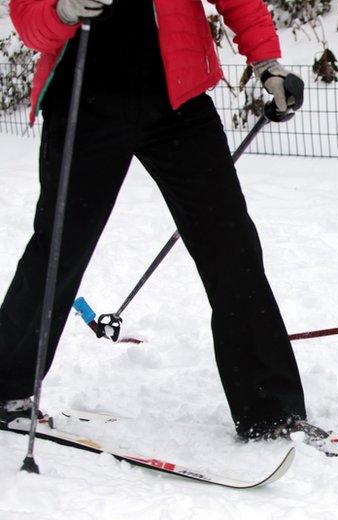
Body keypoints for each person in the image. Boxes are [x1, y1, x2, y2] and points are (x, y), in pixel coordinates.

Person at [0, 0, 309, 440]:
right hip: (84, 104)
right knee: (58, 251)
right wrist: (63, 10)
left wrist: (267, 64)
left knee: (232, 247)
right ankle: (7, 386)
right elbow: (29, 19)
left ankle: (271, 411)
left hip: (177, 104)